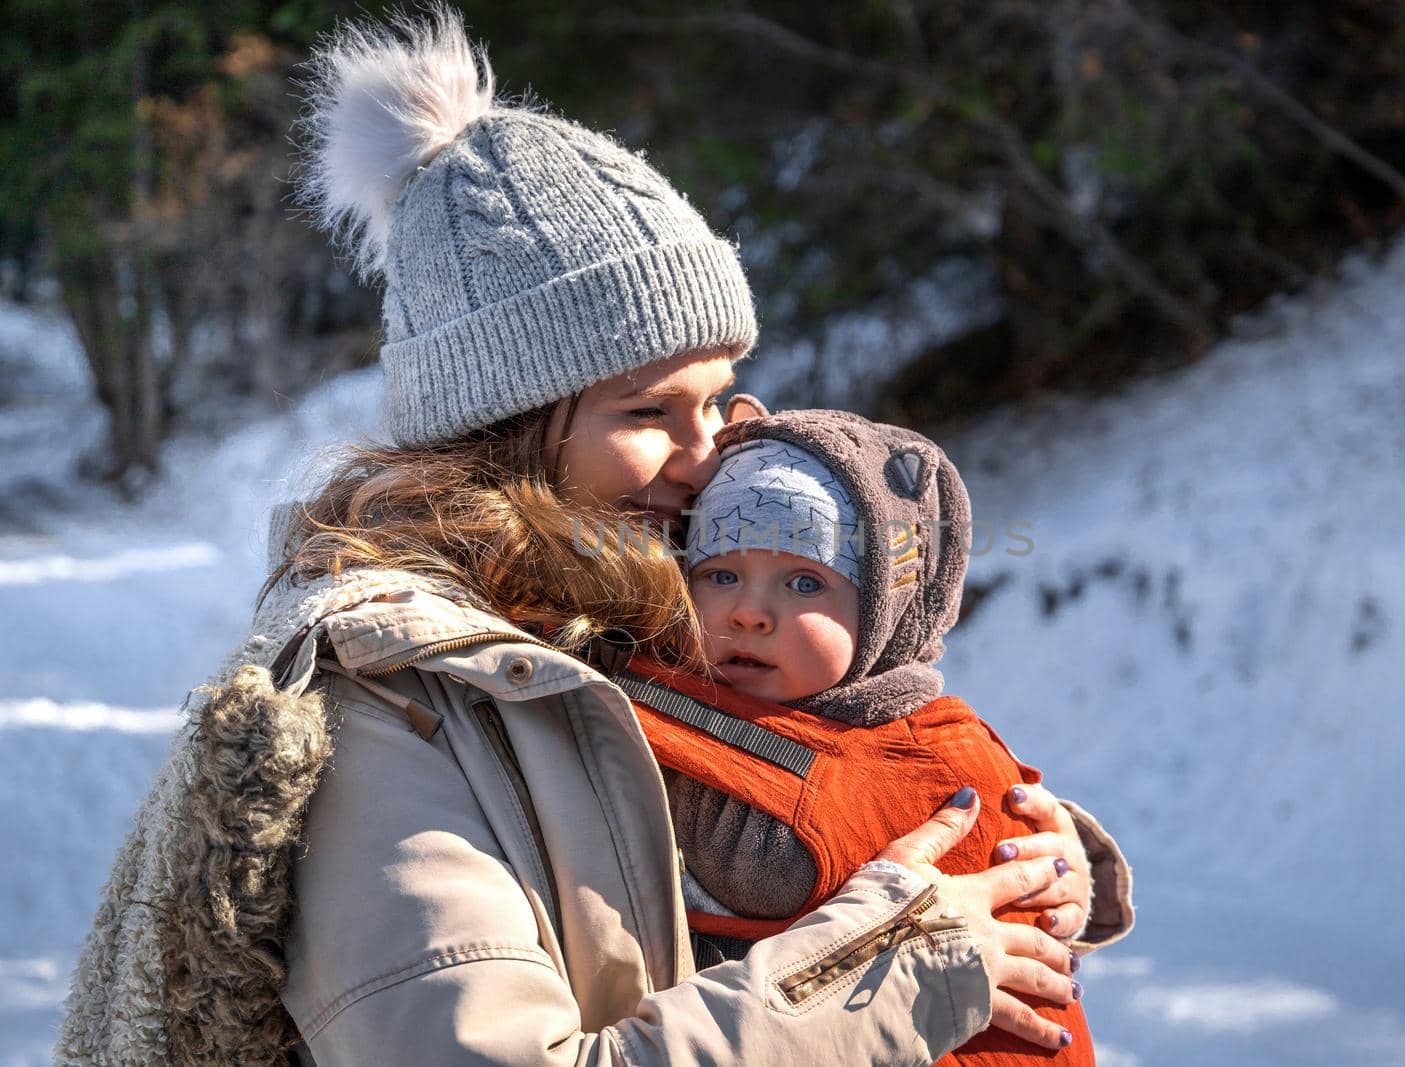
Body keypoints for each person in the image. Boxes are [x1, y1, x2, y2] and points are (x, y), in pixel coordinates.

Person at [55, 10, 1132, 1066]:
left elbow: (812, 777)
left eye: (718, 402)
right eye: (648, 412)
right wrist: (894, 970)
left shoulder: (633, 619)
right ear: (505, 426)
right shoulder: (397, 702)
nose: (707, 455)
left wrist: (1020, 852)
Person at [605, 407, 1133, 1064]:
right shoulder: (725, 705)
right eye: (720, 573)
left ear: (885, 606)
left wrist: (1065, 861)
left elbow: (778, 858)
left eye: (805, 581)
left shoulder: (923, 748)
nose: (748, 612)